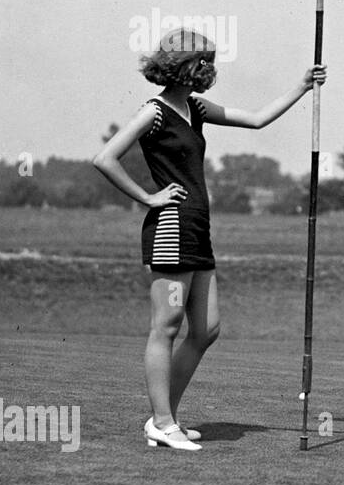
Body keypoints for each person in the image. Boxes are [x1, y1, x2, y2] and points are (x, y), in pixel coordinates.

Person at [93, 28, 326, 451]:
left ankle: (165, 419)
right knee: (166, 327)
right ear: (180, 66)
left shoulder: (195, 108)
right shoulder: (156, 111)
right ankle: (162, 424)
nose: (207, 69)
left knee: (206, 329)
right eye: (201, 62)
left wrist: (302, 85)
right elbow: (104, 158)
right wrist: (148, 197)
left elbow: (255, 119)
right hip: (171, 229)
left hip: (198, 230)